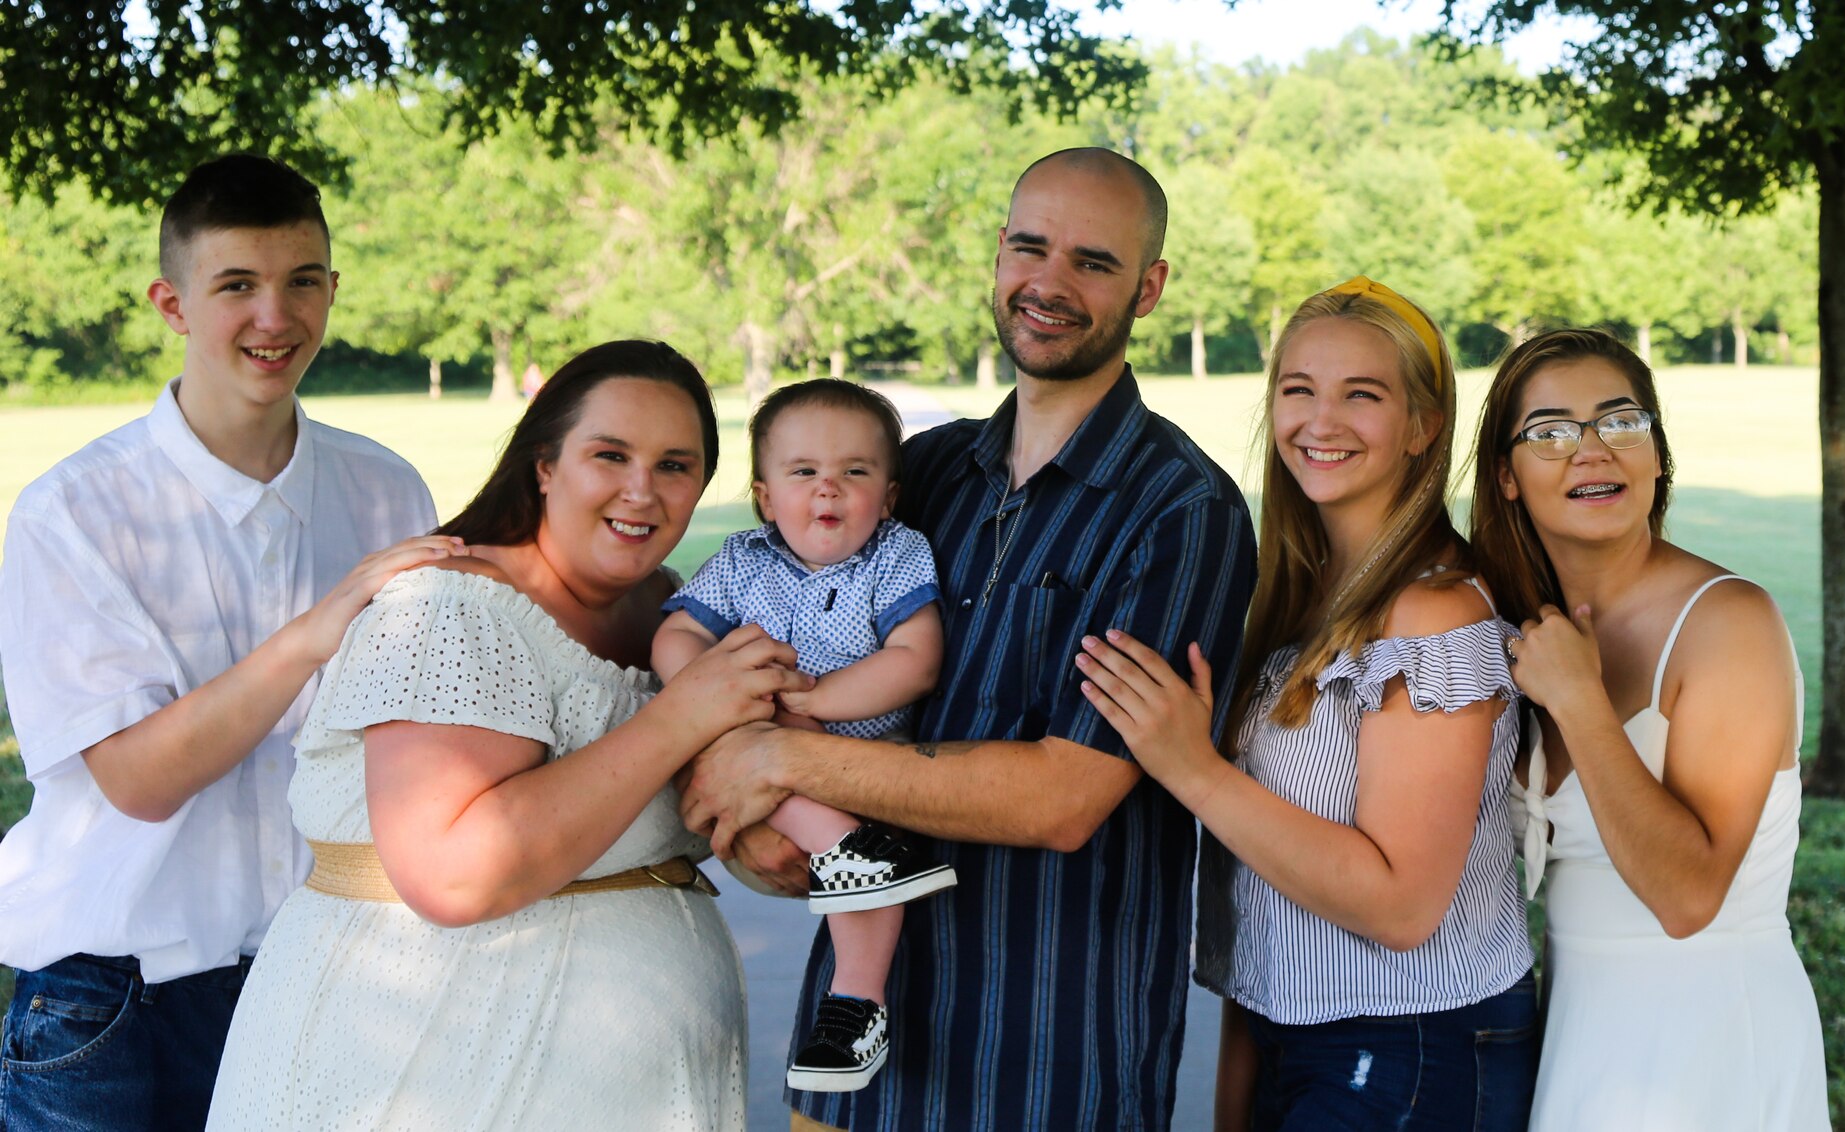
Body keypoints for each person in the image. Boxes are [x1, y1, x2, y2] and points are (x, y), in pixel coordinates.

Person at [677, 147, 1259, 1131]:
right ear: (997, 255)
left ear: (1149, 287)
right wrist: (756, 829)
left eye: (1093, 262)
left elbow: (1067, 794)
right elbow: (761, 671)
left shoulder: (1180, 510)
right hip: (856, 1052)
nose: (1049, 283)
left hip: (1047, 1056)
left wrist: (776, 756)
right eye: (1028, 248)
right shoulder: (913, 473)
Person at [205, 340, 807, 1130]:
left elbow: (665, 817)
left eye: (675, 465)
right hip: (425, 1078)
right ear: (544, 465)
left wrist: (764, 837)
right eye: (610, 455)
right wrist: (681, 716)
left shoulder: (678, 617)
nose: (642, 491)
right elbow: (454, 872)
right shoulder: (449, 608)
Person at [0, 154, 449, 1130]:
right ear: (173, 304)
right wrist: (315, 633)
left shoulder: (389, 491)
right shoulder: (72, 511)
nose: (274, 318)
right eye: (236, 285)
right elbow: (137, 778)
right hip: (112, 998)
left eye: (302, 282)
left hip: (320, 971)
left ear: (333, 290)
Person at [1077, 279, 1538, 1131]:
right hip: (1289, 1029)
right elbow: (1268, 891)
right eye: (1299, 390)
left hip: (1409, 1046)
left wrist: (1192, 769)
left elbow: (1401, 907)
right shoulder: (1297, 594)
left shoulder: (1433, 614)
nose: (1319, 422)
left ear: (1423, 426)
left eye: (1361, 395)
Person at [1470, 328, 1830, 1130]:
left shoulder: (1729, 623)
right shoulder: (1521, 626)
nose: (1591, 451)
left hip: (1709, 1045)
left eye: (1620, 422)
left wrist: (1581, 704)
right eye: (1552, 432)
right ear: (1508, 478)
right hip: (1579, 1032)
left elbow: (1687, 896)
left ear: (1657, 454)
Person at [654, 378, 952, 1093]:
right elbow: (678, 632)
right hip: (758, 735)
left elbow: (915, 661)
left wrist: (813, 701)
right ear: (764, 497)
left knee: (855, 873)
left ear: (887, 496)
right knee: (761, 753)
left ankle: (856, 999)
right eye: (804, 473)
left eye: (855, 472)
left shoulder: (896, 555)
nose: (829, 490)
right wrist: (710, 691)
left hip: (865, 757)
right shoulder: (742, 560)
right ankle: (857, 910)